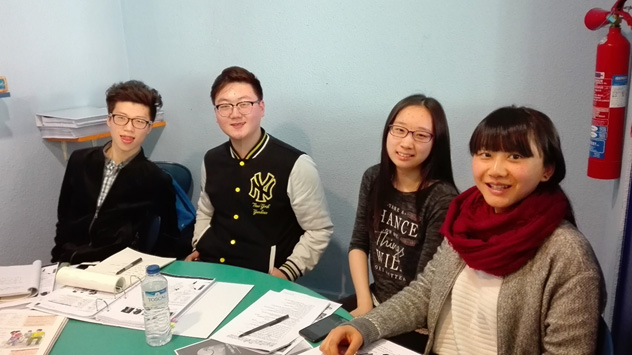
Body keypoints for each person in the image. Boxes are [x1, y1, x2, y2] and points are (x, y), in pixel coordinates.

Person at [321, 106, 606, 355]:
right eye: (485, 154)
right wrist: (365, 326)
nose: (496, 169)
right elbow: (424, 294)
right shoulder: (465, 222)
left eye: (515, 156)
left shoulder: (568, 256)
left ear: (547, 170)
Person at [185, 66, 333, 281]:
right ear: (216, 114)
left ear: (261, 108)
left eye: (244, 104)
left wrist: (285, 272)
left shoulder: (295, 164)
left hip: (262, 276)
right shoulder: (211, 159)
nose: (235, 114)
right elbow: (205, 211)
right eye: (224, 106)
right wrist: (199, 244)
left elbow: (318, 230)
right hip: (211, 268)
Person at [339, 95, 457, 351]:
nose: (406, 142)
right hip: (373, 299)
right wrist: (364, 303)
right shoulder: (373, 177)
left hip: (414, 319)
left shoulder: (442, 198)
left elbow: (424, 286)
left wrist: (373, 320)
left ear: (436, 143)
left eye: (421, 135)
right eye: (399, 130)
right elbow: (359, 243)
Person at [51, 80, 181, 264]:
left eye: (139, 121)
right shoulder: (79, 161)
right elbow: (63, 220)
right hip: (70, 262)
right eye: (121, 118)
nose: (129, 128)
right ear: (109, 120)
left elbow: (168, 238)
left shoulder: (156, 179)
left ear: (149, 127)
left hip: (116, 269)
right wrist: (57, 262)